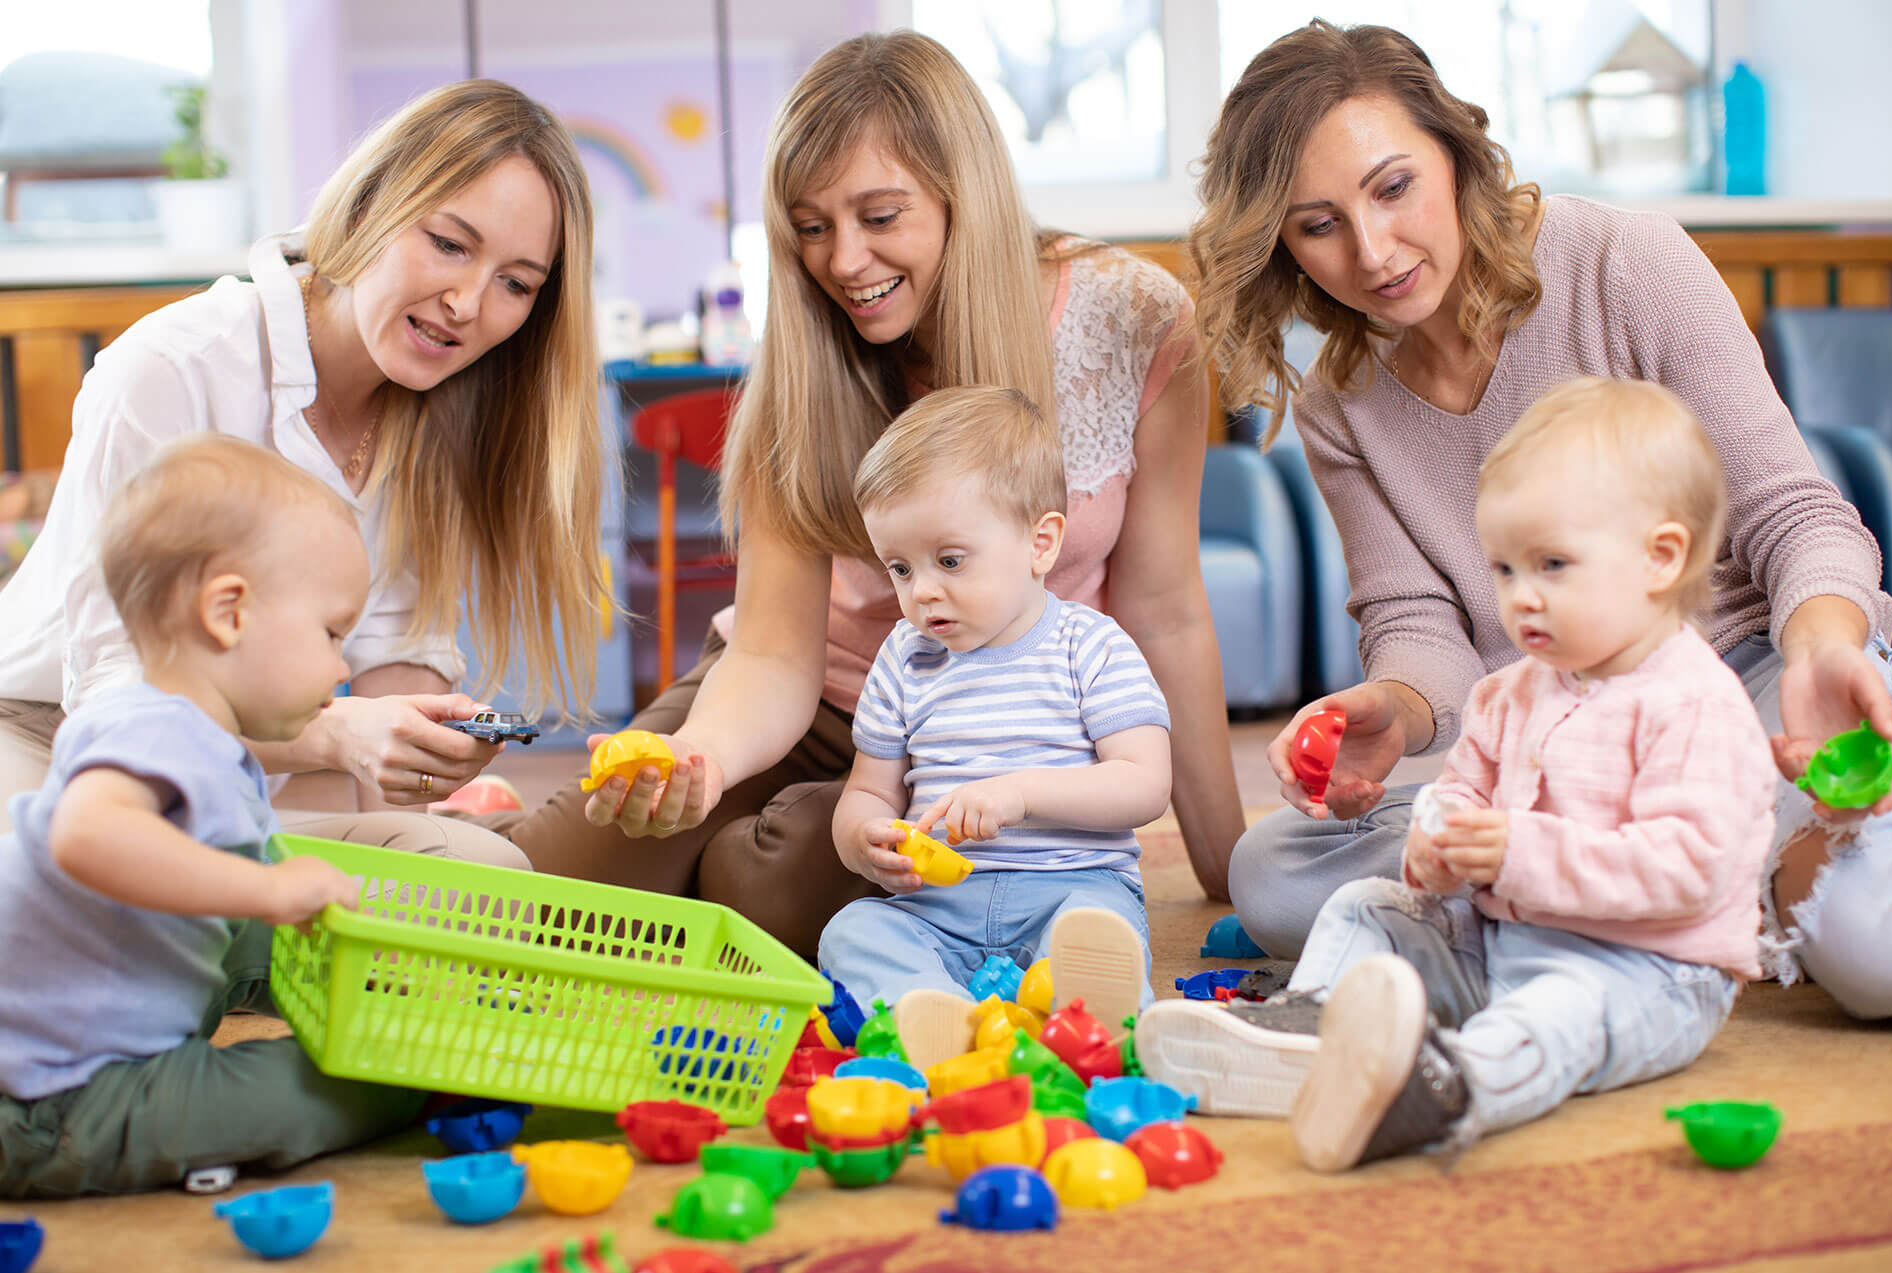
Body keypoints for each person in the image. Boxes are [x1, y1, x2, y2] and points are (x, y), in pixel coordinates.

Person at [460, 31, 1242, 959]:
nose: (843, 261)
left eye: (880, 215)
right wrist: (699, 759)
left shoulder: (1137, 319)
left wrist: (1229, 871)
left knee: (768, 888)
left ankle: (754, 849)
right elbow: (772, 657)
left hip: (993, 726)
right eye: (813, 225)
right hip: (801, 703)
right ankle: (507, 830)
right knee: (530, 907)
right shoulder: (806, 355)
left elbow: (1167, 611)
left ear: (965, 196)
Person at [1192, 21, 1892, 1022]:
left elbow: (1794, 515)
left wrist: (1822, 647)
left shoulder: (1624, 262)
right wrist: (1389, 711)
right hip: (1548, 742)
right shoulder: (1338, 402)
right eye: (1316, 225)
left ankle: (1633, 889)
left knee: (1884, 956)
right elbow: (1418, 627)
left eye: (1392, 187)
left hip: (1733, 695)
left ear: (1454, 152)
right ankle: (1666, 882)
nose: (1371, 250)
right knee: (1272, 872)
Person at [1140, 379, 1774, 1168]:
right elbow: (1460, 798)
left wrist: (1514, 851)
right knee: (1368, 903)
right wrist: (1436, 852)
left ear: (1661, 557)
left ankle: (1442, 1087)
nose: (1521, 598)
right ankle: (1308, 1026)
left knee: (1555, 1017)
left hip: (1646, 972)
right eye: (1504, 569)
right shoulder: (1509, 692)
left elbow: (1688, 869)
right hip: (1502, 938)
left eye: (1552, 565)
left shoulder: (1694, 704)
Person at [0, 80, 606, 868]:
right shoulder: (175, 367)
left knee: (490, 875)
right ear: (369, 206)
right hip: (58, 743)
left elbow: (394, 668)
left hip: (256, 772)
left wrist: (420, 755)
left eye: (516, 283)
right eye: (450, 244)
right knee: (67, 907)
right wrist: (333, 734)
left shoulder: (439, 417)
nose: (467, 302)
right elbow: (113, 701)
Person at [0, 436, 426, 1197]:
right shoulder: (152, 726)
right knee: (334, 1089)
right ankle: (409, 1068)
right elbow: (85, 833)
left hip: (85, 1037)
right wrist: (264, 891)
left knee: (268, 927)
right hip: (54, 1097)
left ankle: (387, 1005)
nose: (342, 666)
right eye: (332, 633)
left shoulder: (200, 739)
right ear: (228, 611)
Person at [817, 387, 1169, 1044]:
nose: (922, 591)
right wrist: (862, 838)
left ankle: (1078, 1018)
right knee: (852, 930)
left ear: (1040, 543)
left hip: (1070, 888)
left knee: (1096, 933)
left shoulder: (1093, 648)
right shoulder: (904, 658)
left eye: (949, 560)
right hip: (937, 906)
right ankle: (943, 1017)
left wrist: (1021, 795)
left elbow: (1145, 784)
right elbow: (868, 788)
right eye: (899, 567)